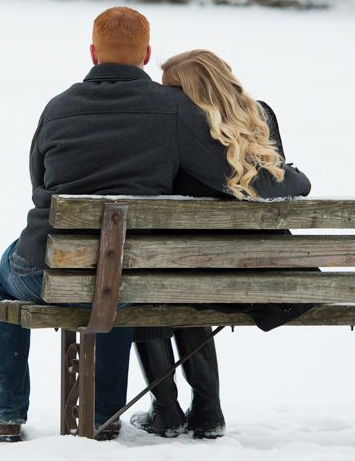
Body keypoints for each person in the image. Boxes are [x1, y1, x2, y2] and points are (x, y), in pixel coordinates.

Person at [0, 9, 311, 444]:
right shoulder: (176, 110)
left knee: (5, 278)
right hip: (131, 269)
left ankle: (6, 414)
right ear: (146, 54)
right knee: (115, 275)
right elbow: (236, 177)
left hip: (52, 267)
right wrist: (292, 177)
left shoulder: (57, 107)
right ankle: (103, 414)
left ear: (93, 52)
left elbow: (39, 184)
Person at [129, 49, 314, 439]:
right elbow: (282, 181)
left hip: (192, 274)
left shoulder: (176, 126)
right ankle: (208, 409)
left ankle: (166, 409)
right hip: (263, 276)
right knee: (183, 284)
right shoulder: (258, 115)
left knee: (152, 287)